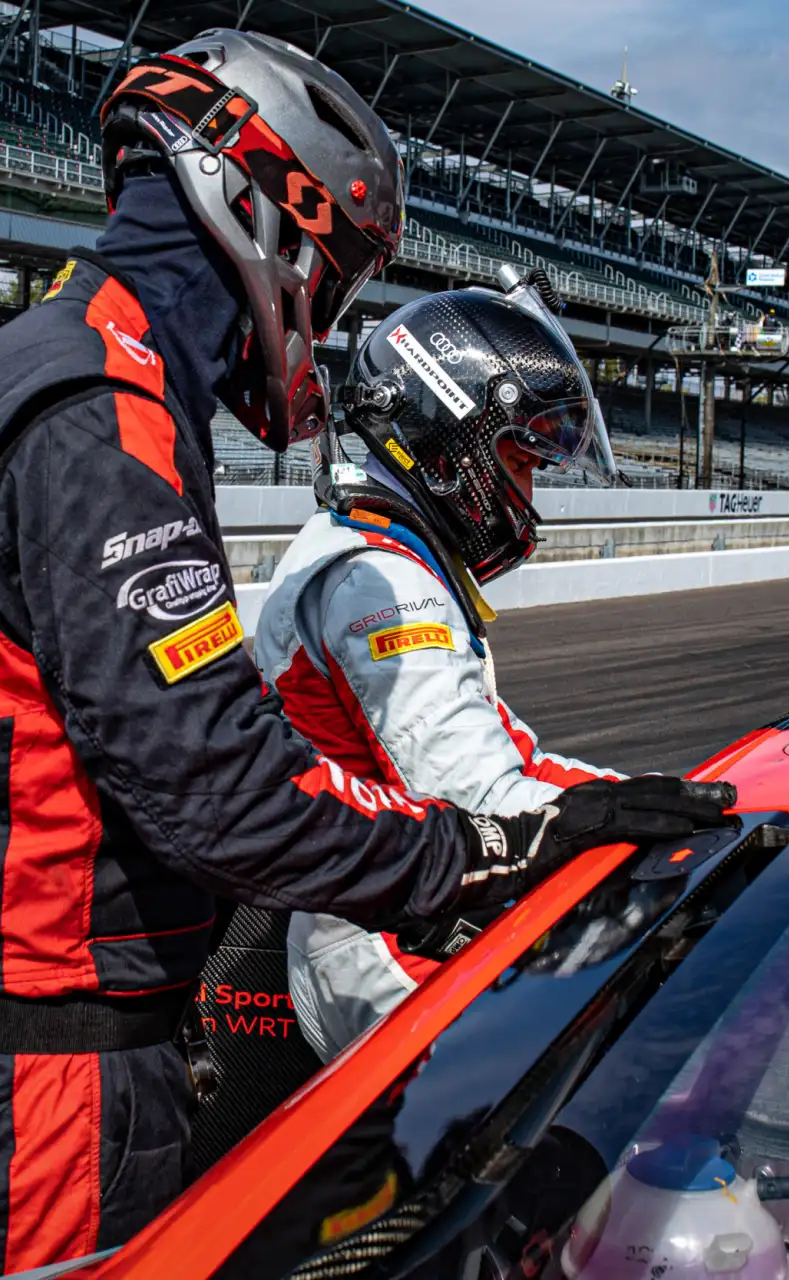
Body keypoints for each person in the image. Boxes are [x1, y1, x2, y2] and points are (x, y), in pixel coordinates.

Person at [0, 33, 736, 1280]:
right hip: (29, 1072)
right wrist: (484, 851)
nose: (328, 316)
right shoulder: (103, 414)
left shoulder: (38, 365)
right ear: (264, 215)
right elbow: (219, 787)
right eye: (338, 273)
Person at [252, 276, 631, 1061]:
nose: (527, 495)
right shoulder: (378, 582)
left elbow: (513, 761)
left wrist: (649, 800)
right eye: (521, 463)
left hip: (397, 906)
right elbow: (477, 799)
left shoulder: (382, 551)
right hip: (382, 940)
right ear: (452, 445)